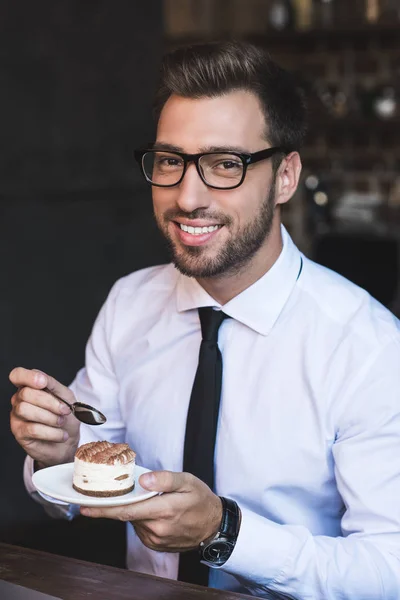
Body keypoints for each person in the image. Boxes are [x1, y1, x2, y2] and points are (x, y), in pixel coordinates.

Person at [9, 41, 400, 599]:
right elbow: (78, 488)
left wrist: (225, 530)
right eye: (171, 161)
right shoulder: (130, 304)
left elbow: (390, 568)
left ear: (285, 176)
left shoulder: (370, 348)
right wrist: (61, 452)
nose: (188, 196)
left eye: (225, 164)